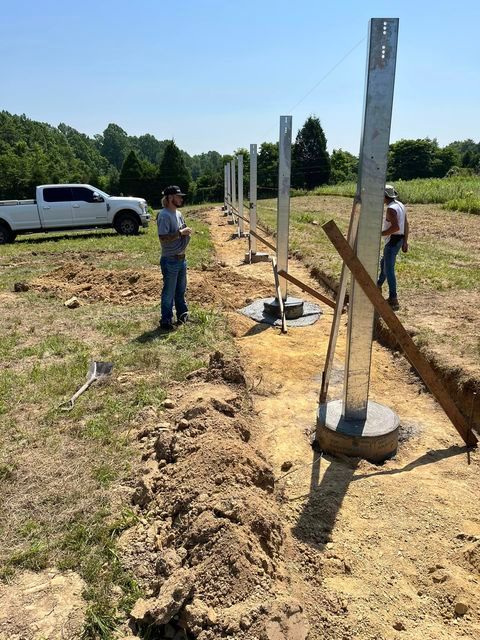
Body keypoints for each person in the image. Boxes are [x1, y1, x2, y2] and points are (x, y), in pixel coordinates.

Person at [157, 185, 192, 331]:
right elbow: (163, 238)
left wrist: (185, 233)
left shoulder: (178, 214)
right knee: (169, 292)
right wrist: (181, 233)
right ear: (170, 198)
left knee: (180, 290)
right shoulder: (164, 215)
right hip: (170, 259)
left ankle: (182, 315)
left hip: (181, 259)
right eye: (178, 196)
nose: (181, 198)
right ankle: (165, 320)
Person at [377, 184, 409, 311]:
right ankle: (378, 285)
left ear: (385, 196)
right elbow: (406, 224)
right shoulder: (400, 205)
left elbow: (395, 227)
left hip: (393, 241)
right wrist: (405, 241)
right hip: (399, 239)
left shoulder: (391, 209)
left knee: (388, 269)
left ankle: (393, 299)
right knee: (384, 263)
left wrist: (380, 234)